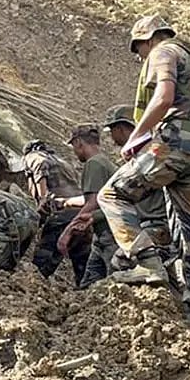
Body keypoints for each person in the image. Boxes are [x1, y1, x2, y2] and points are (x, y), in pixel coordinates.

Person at [97, 14, 190, 323]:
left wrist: (136, 136)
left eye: (139, 50)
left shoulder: (163, 52)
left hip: (173, 144)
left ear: (148, 39)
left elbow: (163, 98)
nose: (140, 57)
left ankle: (147, 263)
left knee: (111, 195)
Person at [97, 105, 172, 283]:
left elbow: (113, 197)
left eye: (112, 131)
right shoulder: (156, 152)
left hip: (155, 228)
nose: (112, 138)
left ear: (121, 128)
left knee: (119, 263)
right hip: (167, 227)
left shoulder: (145, 157)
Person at [58, 123, 117, 288]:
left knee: (117, 284)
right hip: (102, 235)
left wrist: (68, 231)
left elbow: (93, 201)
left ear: (78, 143)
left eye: (74, 147)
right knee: (89, 284)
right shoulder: (104, 162)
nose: (75, 151)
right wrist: (66, 202)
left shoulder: (94, 164)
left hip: (111, 235)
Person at [22, 140, 84, 280]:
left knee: (43, 259)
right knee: (81, 259)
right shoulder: (63, 162)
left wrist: (43, 199)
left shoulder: (33, 156)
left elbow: (40, 164)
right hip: (80, 212)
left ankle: (33, 286)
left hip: (61, 211)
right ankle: (87, 291)